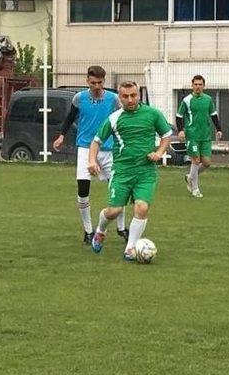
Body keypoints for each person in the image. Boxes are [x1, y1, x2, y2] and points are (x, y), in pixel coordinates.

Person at [87, 81, 172, 261]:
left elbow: (166, 135)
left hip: (145, 172)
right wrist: (92, 160)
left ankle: (130, 248)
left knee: (141, 207)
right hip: (122, 172)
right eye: (125, 96)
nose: (130, 99)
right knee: (114, 211)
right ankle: (100, 230)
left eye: (133, 95)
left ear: (139, 95)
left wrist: (159, 153)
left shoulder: (152, 114)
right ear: (120, 97)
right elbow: (96, 141)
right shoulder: (114, 118)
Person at [53, 65, 127, 246]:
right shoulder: (79, 98)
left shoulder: (113, 99)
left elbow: (123, 119)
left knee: (119, 189)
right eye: (93, 83)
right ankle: (88, 231)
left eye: (100, 82)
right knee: (83, 189)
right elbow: (70, 118)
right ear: (87, 81)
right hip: (86, 149)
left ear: (104, 81)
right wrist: (61, 135)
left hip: (108, 149)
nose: (96, 86)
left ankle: (121, 227)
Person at [176, 75, 223, 198]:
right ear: (192, 85)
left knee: (206, 163)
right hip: (192, 136)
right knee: (196, 160)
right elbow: (179, 116)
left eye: (200, 84)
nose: (198, 86)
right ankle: (195, 189)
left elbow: (213, 115)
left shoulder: (208, 99)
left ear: (204, 86)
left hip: (205, 136)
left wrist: (218, 129)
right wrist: (181, 130)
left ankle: (190, 177)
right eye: (195, 84)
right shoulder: (186, 100)